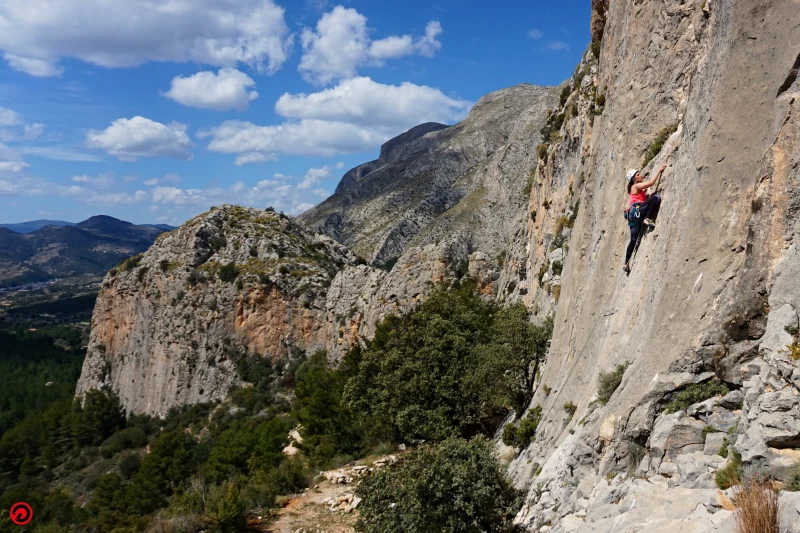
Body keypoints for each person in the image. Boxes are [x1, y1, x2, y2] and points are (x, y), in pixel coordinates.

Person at [623, 163, 666, 273]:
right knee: (656, 197)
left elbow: (630, 203)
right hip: (637, 209)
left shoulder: (634, 189)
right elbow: (651, 183)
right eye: (638, 174)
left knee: (633, 240)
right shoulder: (636, 186)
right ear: (634, 179)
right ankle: (647, 218)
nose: (640, 175)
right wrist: (659, 171)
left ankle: (626, 263)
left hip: (633, 216)